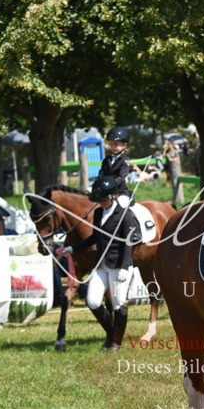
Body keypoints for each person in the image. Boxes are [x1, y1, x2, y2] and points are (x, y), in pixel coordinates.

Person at [57, 176, 141, 351]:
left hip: (119, 265)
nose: (100, 203)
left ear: (113, 197)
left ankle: (116, 342)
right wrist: (73, 248)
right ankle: (111, 333)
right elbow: (95, 237)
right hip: (101, 264)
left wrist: (125, 267)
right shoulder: (98, 213)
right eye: (98, 200)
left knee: (118, 303)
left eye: (103, 200)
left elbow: (128, 243)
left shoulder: (124, 215)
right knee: (93, 300)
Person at [100, 127, 133, 208]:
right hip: (106, 192)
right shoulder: (106, 160)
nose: (113, 146)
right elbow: (101, 174)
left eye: (116, 144)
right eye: (111, 144)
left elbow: (121, 177)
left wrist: (109, 186)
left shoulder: (125, 160)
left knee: (122, 206)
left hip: (120, 192)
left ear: (124, 144)